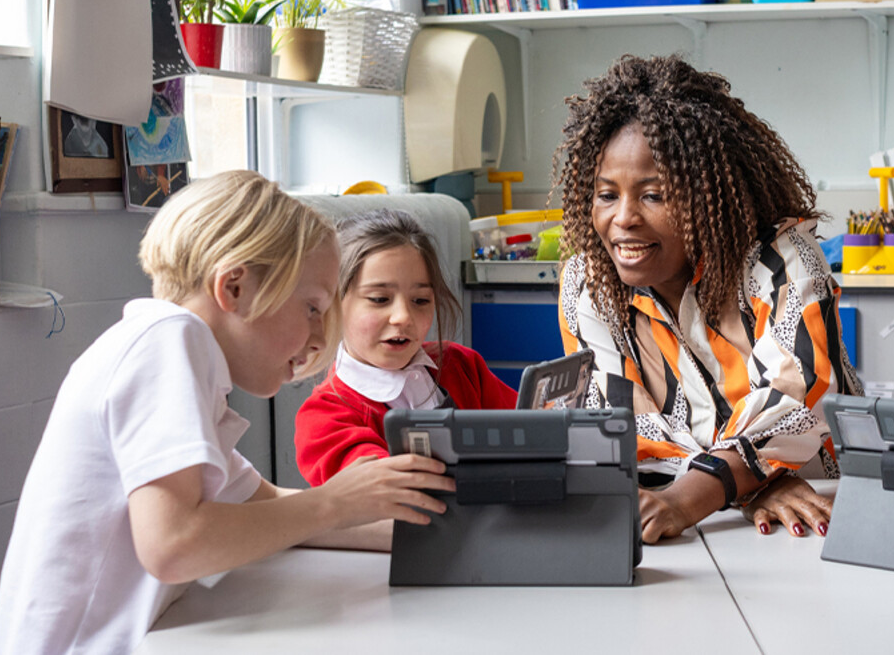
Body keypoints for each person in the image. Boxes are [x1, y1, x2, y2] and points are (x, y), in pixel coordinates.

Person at [0, 172, 454, 655]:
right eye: (312, 308)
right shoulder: (166, 339)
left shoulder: (183, 367)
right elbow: (174, 545)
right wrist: (334, 502)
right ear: (234, 288)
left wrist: (434, 528)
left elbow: (265, 507)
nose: (320, 338)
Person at [554, 55, 862, 544]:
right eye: (606, 195)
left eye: (654, 195)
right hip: (704, 523)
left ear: (705, 194)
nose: (624, 218)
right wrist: (748, 483)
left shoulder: (780, 262)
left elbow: (798, 396)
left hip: (814, 514)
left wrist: (696, 495)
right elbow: (623, 433)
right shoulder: (588, 283)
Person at [296, 209, 517, 486]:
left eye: (420, 300)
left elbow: (530, 428)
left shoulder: (461, 365)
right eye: (379, 299)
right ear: (333, 303)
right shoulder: (325, 419)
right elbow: (391, 494)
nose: (403, 317)